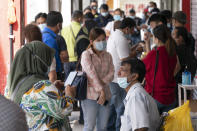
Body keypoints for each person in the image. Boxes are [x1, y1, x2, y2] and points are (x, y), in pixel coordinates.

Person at [5, 41, 75, 130]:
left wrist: (52, 88)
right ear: (38, 61)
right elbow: (63, 109)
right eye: (48, 59)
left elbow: (35, 100)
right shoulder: (42, 86)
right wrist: (70, 95)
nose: (50, 64)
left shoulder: (11, 85)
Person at [81, 28, 114, 131]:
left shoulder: (108, 55)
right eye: (98, 40)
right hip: (90, 96)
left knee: (103, 127)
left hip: (106, 96)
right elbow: (91, 74)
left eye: (103, 40)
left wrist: (101, 87)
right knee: (89, 126)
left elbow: (112, 73)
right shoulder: (86, 55)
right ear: (91, 42)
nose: (102, 42)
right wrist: (101, 90)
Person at [106, 18, 137, 131]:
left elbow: (123, 52)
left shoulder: (114, 36)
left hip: (114, 76)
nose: (133, 31)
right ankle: (119, 128)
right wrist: (136, 52)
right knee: (121, 106)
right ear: (127, 28)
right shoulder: (121, 38)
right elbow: (124, 57)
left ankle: (111, 128)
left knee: (115, 105)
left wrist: (134, 48)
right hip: (118, 78)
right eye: (132, 29)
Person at [143, 25, 179, 114]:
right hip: (170, 98)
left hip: (156, 97)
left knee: (154, 126)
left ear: (157, 39)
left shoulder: (154, 54)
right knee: (167, 127)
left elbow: (143, 68)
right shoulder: (172, 53)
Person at [119, 59, 160, 131]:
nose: (118, 73)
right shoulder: (136, 93)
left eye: (122, 70)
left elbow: (141, 128)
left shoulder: (135, 96)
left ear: (134, 76)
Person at [75, 19, 97, 124]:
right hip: (84, 71)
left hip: (82, 69)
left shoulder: (81, 34)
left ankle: (83, 118)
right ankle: (83, 118)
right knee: (85, 95)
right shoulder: (84, 39)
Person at [61, 10, 83, 80]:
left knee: (67, 82)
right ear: (79, 18)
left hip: (66, 60)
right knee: (78, 83)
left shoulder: (64, 29)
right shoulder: (82, 29)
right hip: (78, 60)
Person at [42, 11, 63, 81]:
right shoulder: (50, 40)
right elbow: (51, 63)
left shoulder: (43, 34)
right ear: (58, 25)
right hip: (51, 77)